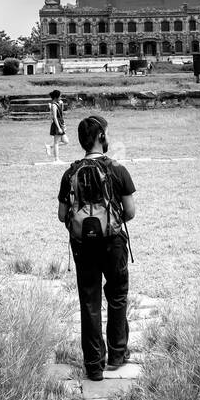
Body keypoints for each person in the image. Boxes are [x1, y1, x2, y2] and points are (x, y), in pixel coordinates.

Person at [57, 115, 136, 381]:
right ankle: (117, 353)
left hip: (83, 247)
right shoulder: (117, 169)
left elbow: (61, 214)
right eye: (107, 133)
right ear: (101, 137)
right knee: (117, 295)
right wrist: (110, 223)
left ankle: (93, 365)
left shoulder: (71, 173)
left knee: (89, 301)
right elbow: (131, 212)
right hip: (113, 243)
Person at [46, 87, 65, 163]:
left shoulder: (58, 103)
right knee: (56, 142)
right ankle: (56, 159)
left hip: (60, 124)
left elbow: (61, 115)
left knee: (66, 141)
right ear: (56, 97)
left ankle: (50, 146)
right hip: (57, 125)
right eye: (60, 96)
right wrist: (59, 128)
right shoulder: (54, 105)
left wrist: (63, 125)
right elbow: (54, 117)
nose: (61, 97)